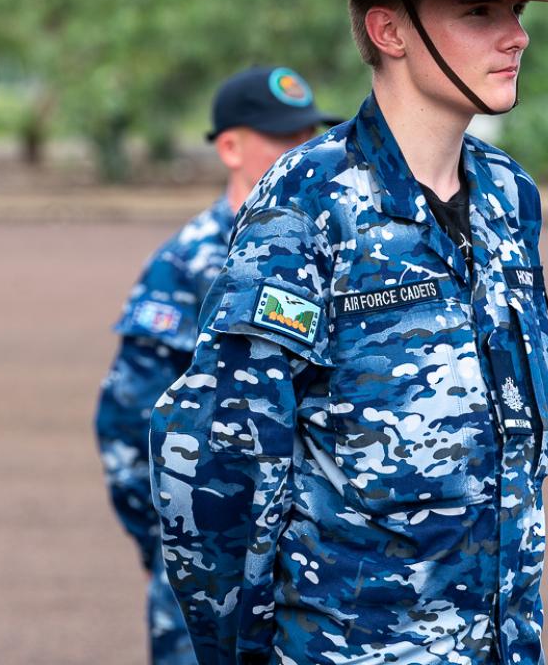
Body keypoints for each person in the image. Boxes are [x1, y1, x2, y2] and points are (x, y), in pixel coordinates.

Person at [148, 0, 548, 664]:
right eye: (477, 10)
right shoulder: (309, 202)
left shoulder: (506, 198)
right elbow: (218, 465)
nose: (517, 34)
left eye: (517, 9)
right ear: (390, 31)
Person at [96, 66, 339, 665]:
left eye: (310, 134)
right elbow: (129, 424)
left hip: (313, 571)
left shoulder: (333, 245)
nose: (303, 151)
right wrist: (178, 546)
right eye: (283, 138)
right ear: (229, 146)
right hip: (207, 574)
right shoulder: (188, 263)